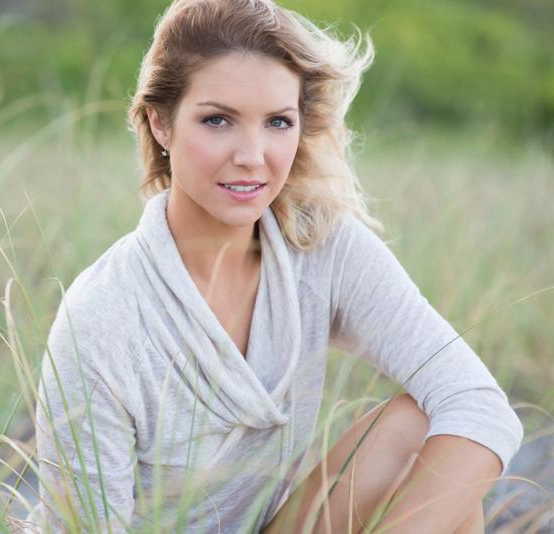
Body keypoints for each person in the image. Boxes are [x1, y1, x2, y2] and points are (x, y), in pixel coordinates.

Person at [30, 0, 524, 532]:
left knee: (426, 439)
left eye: (277, 122)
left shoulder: (320, 245)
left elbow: (478, 404)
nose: (252, 154)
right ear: (160, 123)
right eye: (217, 120)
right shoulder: (103, 316)